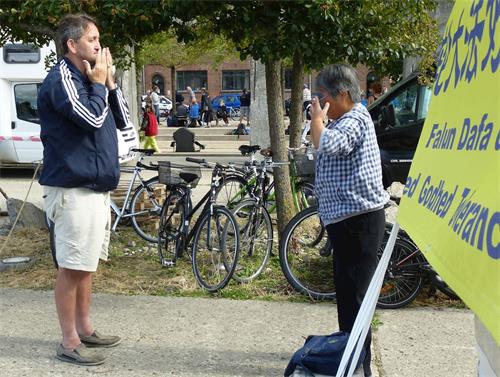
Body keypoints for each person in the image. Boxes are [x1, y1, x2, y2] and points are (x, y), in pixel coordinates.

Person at [38, 13, 128, 366]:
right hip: (72, 189)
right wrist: (97, 84)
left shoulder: (92, 80)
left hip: (95, 188)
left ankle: (85, 328)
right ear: (71, 45)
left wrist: (110, 85)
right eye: (92, 39)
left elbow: (120, 120)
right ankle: (69, 341)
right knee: (71, 267)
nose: (99, 46)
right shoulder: (62, 79)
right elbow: (90, 118)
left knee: (86, 265)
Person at [309, 64, 389, 377]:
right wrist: (320, 122)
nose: (321, 102)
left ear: (343, 94)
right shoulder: (343, 119)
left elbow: (327, 144)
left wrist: (317, 121)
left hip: (359, 222)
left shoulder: (356, 117)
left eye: (324, 96)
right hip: (345, 223)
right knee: (346, 296)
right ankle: (350, 359)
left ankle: (360, 366)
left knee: (356, 299)